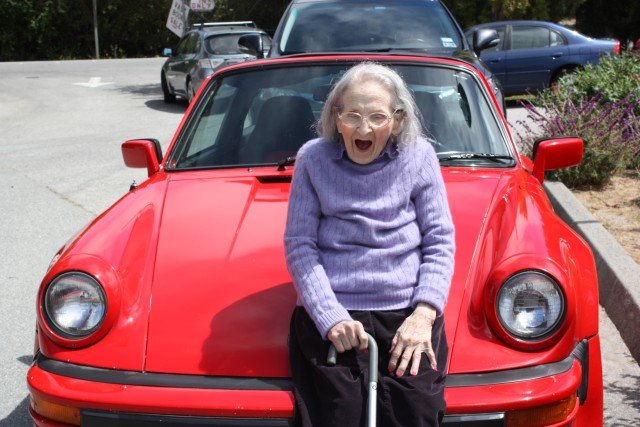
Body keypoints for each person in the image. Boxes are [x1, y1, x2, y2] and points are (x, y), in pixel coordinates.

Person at [284, 62, 455, 427]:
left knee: (417, 413)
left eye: (377, 117)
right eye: (353, 116)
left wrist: (424, 315)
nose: (364, 129)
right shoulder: (312, 159)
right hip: (336, 316)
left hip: (407, 315)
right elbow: (300, 246)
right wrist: (330, 319)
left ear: (396, 119)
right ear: (336, 116)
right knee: (336, 416)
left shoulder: (420, 156)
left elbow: (440, 240)